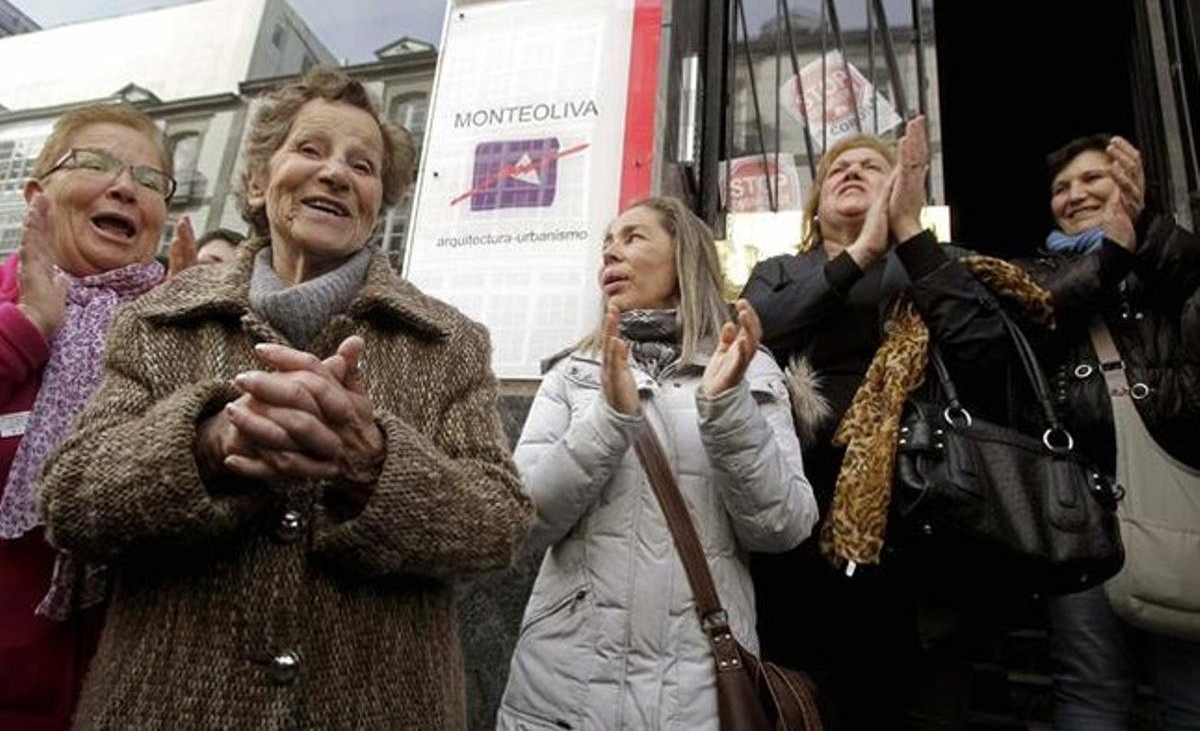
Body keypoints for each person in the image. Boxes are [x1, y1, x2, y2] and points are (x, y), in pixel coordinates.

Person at [38, 66, 533, 730]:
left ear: (378, 201)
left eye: (362, 165)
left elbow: (498, 526)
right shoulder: (158, 320)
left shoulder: (447, 343)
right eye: (309, 149)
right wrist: (209, 446)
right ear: (255, 181)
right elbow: (72, 502)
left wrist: (374, 464)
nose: (335, 173)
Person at [496, 196, 817, 730]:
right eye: (606, 245)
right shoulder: (573, 373)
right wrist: (609, 420)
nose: (611, 253)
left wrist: (725, 407)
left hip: (701, 689)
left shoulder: (748, 368)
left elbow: (784, 525)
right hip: (564, 686)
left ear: (684, 255)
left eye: (633, 237)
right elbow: (520, 521)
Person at [742, 117, 1014, 730]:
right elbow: (759, 332)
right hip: (805, 516)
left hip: (919, 518)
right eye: (838, 168)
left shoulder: (928, 263)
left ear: (900, 187)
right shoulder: (782, 271)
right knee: (804, 691)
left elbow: (982, 344)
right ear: (817, 202)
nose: (851, 172)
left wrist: (908, 234)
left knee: (905, 697)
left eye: (871, 165)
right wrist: (858, 255)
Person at [1018, 134, 1200, 730]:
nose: (1075, 196)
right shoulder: (1039, 271)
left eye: (1092, 179)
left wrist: (1142, 229)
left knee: (1190, 687)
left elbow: (1190, 276)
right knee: (1090, 687)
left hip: (1177, 499)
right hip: (1083, 515)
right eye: (1061, 188)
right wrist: (1111, 255)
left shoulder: (1166, 258)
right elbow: (1038, 310)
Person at [0, 103, 172, 729]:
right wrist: (27, 327)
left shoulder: (169, 334)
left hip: (122, 699)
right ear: (38, 193)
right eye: (96, 163)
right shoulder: (6, 309)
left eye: (149, 181)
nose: (125, 187)